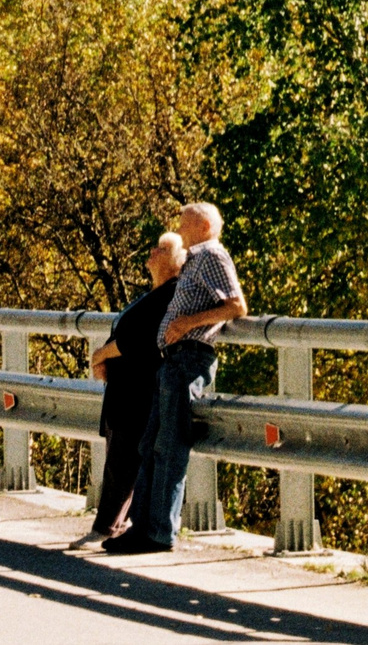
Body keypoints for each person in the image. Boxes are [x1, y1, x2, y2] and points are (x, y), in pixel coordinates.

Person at [105, 201, 248, 555]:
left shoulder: (214, 255)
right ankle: (142, 528)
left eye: (184, 224)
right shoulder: (196, 261)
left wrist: (187, 323)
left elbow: (236, 306)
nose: (179, 230)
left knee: (168, 447)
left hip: (188, 359)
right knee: (150, 445)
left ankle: (158, 533)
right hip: (171, 361)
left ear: (202, 227)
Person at [74, 231, 187, 549]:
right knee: (120, 457)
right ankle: (117, 523)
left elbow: (139, 339)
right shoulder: (152, 293)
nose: (152, 251)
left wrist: (100, 354)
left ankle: (106, 526)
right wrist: (105, 360)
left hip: (140, 389)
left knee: (124, 459)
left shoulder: (172, 293)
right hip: (124, 389)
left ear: (178, 261)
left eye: (161, 248)